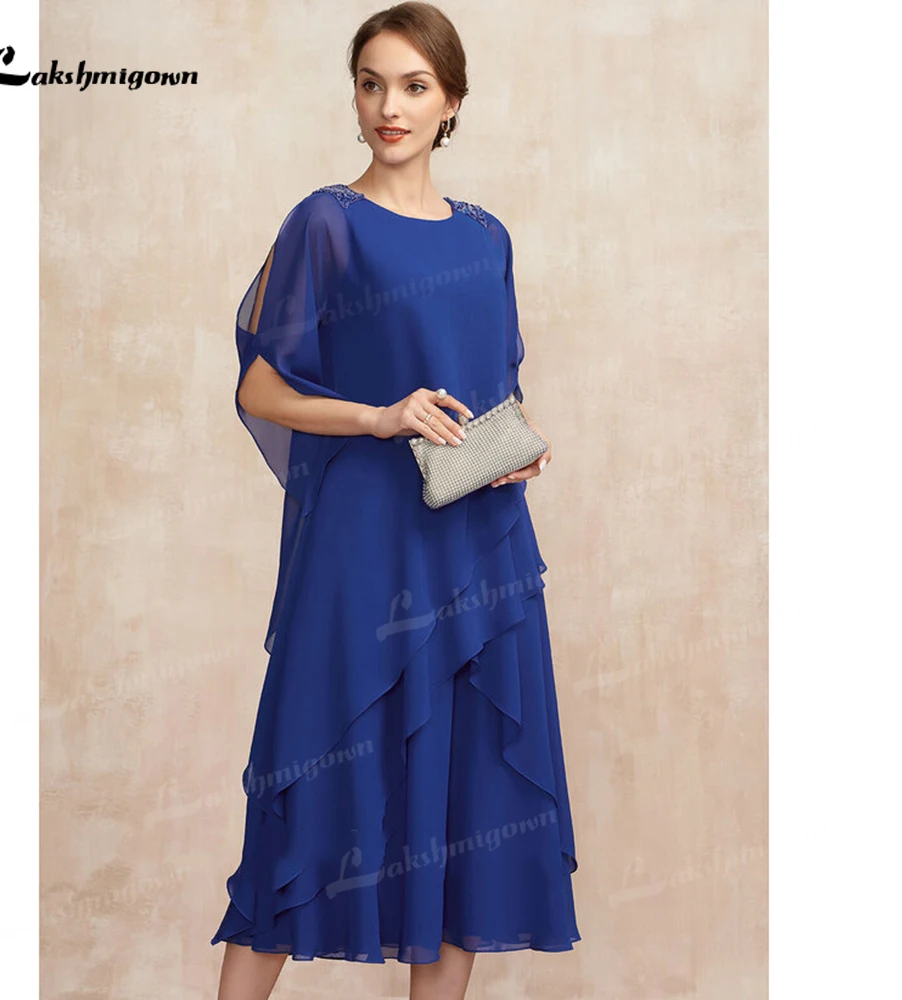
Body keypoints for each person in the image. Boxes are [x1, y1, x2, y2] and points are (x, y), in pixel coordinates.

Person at [211, 5, 580, 998]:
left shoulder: (487, 237)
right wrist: (379, 417)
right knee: (307, 798)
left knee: (469, 811)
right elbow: (261, 387)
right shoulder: (325, 222)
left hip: (480, 546)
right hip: (364, 550)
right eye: (372, 83)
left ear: (451, 101)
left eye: (414, 86)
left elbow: (495, 387)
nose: (390, 106)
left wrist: (516, 449)